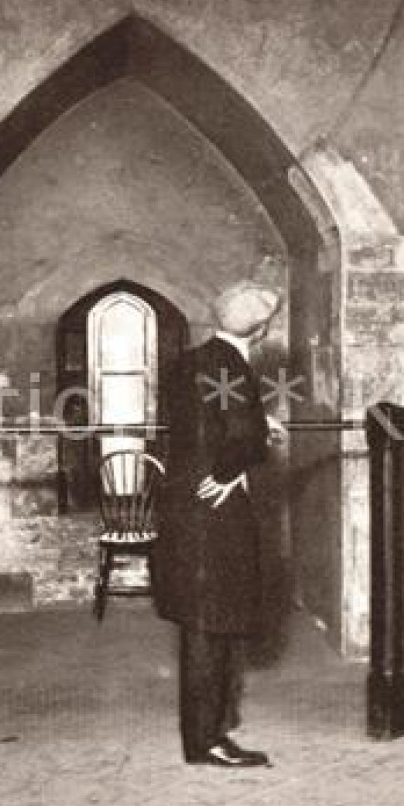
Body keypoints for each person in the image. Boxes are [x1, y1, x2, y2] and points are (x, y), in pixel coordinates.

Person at [153, 280, 286, 768]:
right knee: (213, 624)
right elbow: (239, 432)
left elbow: (204, 418)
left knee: (204, 620)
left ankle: (210, 728)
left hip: (185, 503)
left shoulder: (192, 360)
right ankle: (207, 739)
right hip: (214, 508)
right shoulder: (235, 365)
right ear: (262, 327)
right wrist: (231, 471)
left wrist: (256, 426)